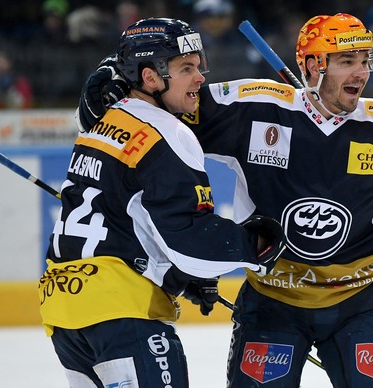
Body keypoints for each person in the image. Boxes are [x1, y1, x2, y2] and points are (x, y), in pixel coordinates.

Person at [78, 13, 373, 388]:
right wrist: (117, 82)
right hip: (273, 300)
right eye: (348, 61)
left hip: (359, 301)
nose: (362, 72)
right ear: (315, 66)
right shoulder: (251, 108)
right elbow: (158, 105)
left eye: (365, 60)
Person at [39, 17, 285, 388]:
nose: (201, 77)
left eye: (199, 65)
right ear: (151, 78)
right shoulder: (167, 133)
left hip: (65, 314)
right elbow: (190, 238)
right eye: (186, 68)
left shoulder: (101, 124)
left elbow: (131, 224)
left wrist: (179, 278)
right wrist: (256, 243)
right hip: (122, 316)